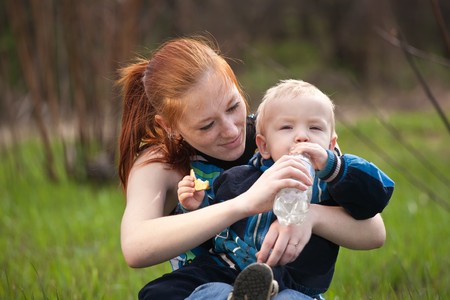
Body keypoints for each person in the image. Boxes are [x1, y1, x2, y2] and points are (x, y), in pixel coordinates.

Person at [117, 35, 388, 300]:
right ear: (169, 126)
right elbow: (136, 247)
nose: (231, 129)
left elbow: (373, 230)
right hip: (207, 284)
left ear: (236, 84)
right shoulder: (162, 162)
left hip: (289, 285)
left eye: (233, 106)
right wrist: (244, 203)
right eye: (207, 125)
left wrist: (310, 216)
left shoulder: (282, 133)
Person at [179, 79, 394, 299]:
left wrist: (334, 167)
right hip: (232, 276)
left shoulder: (332, 187)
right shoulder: (238, 180)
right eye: (287, 127)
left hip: (295, 287)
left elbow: (376, 197)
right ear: (263, 145)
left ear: (331, 144)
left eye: (315, 127)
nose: (302, 136)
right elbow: (218, 233)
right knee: (208, 292)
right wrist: (199, 205)